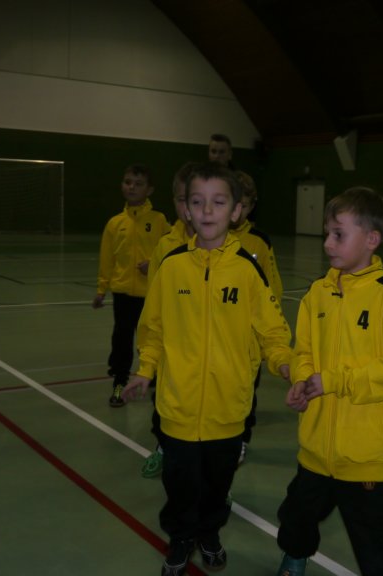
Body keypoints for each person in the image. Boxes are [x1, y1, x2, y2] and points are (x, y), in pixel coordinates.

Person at [122, 162, 293, 576]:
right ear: (186, 210)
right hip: (177, 406)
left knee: (218, 483)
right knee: (180, 483)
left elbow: (272, 330)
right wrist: (145, 369)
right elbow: (154, 328)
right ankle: (181, 538)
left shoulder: (248, 270)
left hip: (228, 408)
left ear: (236, 211)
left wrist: (286, 363)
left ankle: (210, 532)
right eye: (198, 202)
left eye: (218, 202)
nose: (207, 210)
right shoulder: (172, 267)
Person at [277, 186, 383, 576]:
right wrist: (303, 381)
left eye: (338, 234)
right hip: (316, 446)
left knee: (373, 537)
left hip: (364, 453)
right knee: (296, 515)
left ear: (371, 240)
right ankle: (294, 556)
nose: (327, 243)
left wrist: (334, 381)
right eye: (327, 233)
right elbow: (303, 350)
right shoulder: (316, 294)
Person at [139, 161, 200, 479]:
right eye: (181, 199)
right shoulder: (165, 246)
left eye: (195, 200)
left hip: (206, 353)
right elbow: (154, 306)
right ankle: (163, 448)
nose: (187, 208)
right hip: (171, 351)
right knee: (164, 409)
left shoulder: (226, 249)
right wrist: (147, 355)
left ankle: (213, 479)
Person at [92, 164, 171, 407]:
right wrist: (101, 289)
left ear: (150, 190)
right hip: (123, 293)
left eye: (138, 184)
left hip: (151, 294)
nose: (132, 187)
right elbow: (107, 259)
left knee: (151, 339)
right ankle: (119, 383)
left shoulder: (159, 221)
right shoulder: (115, 224)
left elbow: (171, 251)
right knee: (122, 340)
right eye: (128, 182)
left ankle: (155, 376)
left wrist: (154, 264)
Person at [232, 170, 284, 465]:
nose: (238, 210)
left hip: (249, 339)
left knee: (246, 393)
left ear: (252, 206)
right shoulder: (210, 238)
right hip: (220, 335)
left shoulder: (259, 243)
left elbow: (272, 288)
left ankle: (241, 439)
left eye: (245, 204)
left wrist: (269, 335)